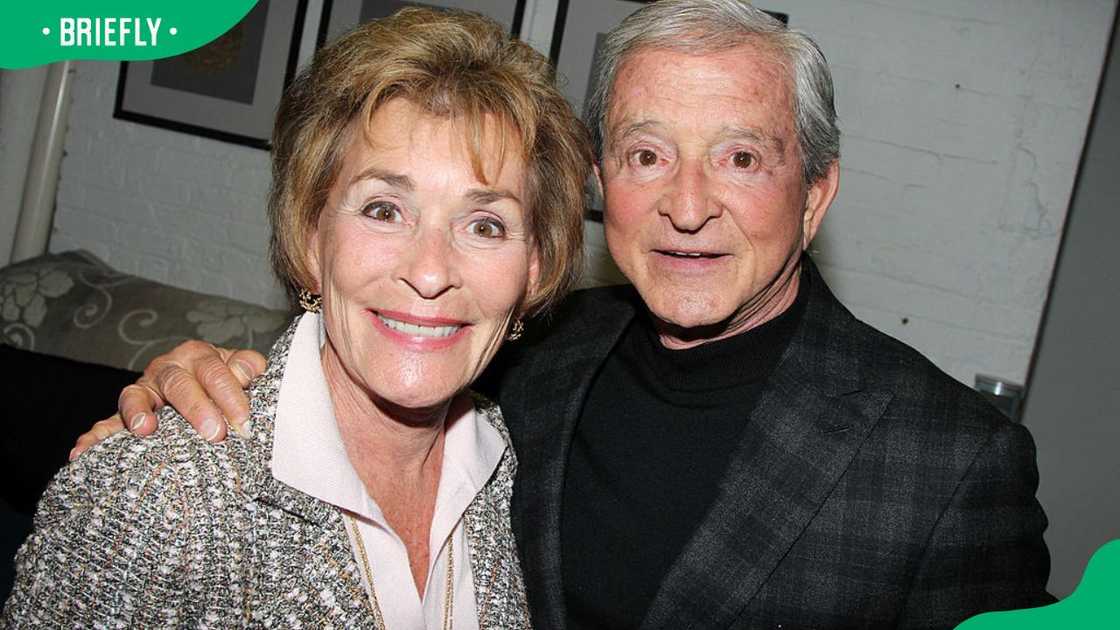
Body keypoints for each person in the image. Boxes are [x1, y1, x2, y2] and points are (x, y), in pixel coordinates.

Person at [71, 0, 1055, 627]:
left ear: (816, 193)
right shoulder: (531, 356)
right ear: (597, 184)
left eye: (742, 158)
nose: (685, 203)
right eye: (646, 152)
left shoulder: (950, 462)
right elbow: (375, 357)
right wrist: (202, 382)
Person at [4, 7, 591, 628]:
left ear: (533, 270)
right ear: (311, 237)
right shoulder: (153, 496)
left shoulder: (517, 469)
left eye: (484, 225)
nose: (429, 272)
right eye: (384, 210)